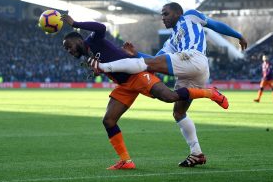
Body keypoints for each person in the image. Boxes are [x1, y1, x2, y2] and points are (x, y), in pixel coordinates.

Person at [89, 2, 247, 167]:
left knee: (147, 65)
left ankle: (102, 66)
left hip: (193, 57)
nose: (163, 18)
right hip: (191, 71)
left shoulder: (190, 16)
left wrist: (238, 35)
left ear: (178, 13)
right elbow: (155, 60)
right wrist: (136, 54)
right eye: (162, 15)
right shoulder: (171, 42)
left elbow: (215, 25)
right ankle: (196, 153)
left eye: (166, 14)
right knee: (179, 113)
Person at [61, 14, 227, 170]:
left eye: (69, 46)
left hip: (138, 74)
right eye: (66, 50)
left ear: (78, 40)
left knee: (169, 97)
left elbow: (101, 27)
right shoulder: (87, 57)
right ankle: (126, 161)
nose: (68, 51)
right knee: (109, 121)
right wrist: (100, 71)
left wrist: (75, 24)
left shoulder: (93, 40)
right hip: (124, 85)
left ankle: (210, 93)